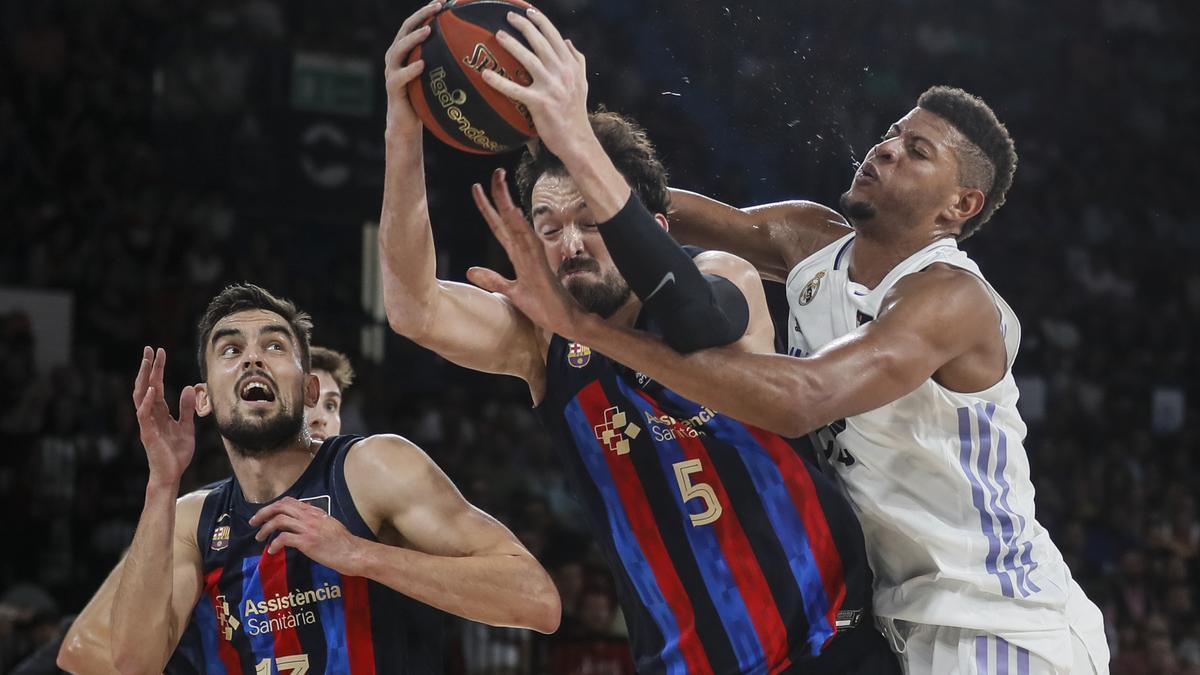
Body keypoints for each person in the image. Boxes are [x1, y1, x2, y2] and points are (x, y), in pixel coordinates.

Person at [467, 19, 1110, 669]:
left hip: (996, 620)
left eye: (918, 152)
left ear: (958, 206)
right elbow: (641, 207)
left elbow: (802, 400)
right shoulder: (809, 239)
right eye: (892, 134)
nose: (887, 150)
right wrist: (557, 147)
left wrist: (592, 326)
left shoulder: (948, 297)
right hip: (899, 620)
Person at [380, 3, 897, 673]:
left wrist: (574, 136)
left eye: (588, 220)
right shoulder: (544, 343)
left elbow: (699, 326)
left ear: (646, 223)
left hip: (832, 649)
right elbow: (412, 307)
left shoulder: (721, 275)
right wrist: (403, 127)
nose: (568, 244)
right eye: (547, 225)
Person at [61, 283, 559, 674]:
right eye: (229, 350)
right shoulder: (193, 517)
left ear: (308, 387)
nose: (252, 357)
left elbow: (536, 599)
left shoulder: (372, 468)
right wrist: (162, 483)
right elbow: (132, 664)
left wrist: (361, 555)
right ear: (205, 397)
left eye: (274, 345)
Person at [57, 343, 361, 674]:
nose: (321, 418)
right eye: (306, 401)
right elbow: (84, 648)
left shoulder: (359, 506)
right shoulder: (198, 518)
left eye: (332, 405)